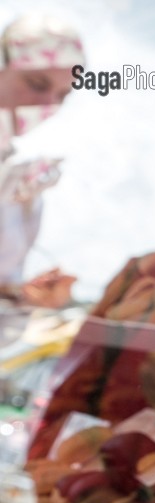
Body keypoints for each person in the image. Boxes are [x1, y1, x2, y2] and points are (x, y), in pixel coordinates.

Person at [0, 14, 82, 307]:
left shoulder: (22, 180)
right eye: (36, 83)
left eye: (62, 95)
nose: (48, 105)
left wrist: (24, 297)